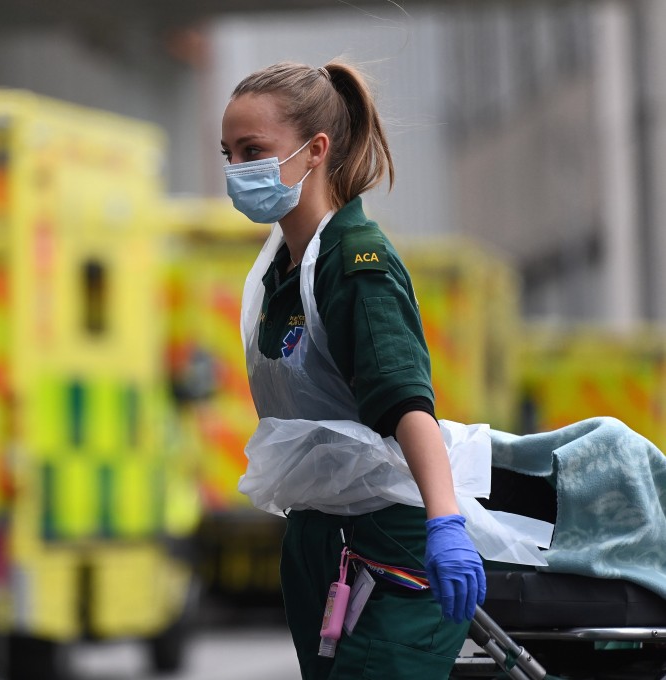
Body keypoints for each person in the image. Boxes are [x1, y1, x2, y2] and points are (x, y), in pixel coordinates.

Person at [220, 60, 486, 679]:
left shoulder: (355, 262)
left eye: (253, 151)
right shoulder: (280, 269)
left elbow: (405, 403)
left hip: (388, 536)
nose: (238, 171)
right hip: (322, 538)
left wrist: (445, 524)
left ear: (315, 151)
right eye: (229, 153)